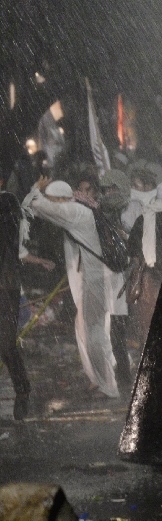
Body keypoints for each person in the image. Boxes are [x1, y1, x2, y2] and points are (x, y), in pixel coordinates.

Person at [28, 177, 121, 398]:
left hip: (95, 280)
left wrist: (36, 190)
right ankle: (98, 376)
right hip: (93, 280)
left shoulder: (75, 212)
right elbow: (42, 210)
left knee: (94, 333)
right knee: (87, 329)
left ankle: (108, 385)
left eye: (55, 201)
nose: (54, 206)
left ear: (62, 199)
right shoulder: (80, 211)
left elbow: (40, 206)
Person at [126, 180, 162, 347]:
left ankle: (150, 358)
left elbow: (133, 251)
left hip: (150, 279)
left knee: (148, 325)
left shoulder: (146, 216)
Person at [1, 172, 31, 420]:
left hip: (4, 285)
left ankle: (22, 392)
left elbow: (8, 240)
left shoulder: (7, 202)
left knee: (5, 342)